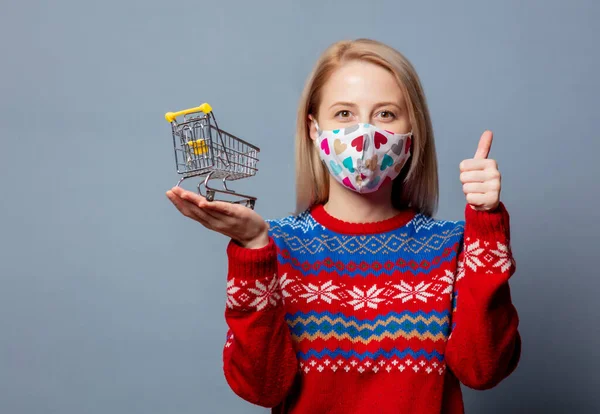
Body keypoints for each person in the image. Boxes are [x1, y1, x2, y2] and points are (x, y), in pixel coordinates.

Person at [165, 38, 521, 414]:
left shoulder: (452, 246)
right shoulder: (278, 246)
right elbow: (262, 387)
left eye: (385, 114)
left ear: (411, 133)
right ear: (314, 130)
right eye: (344, 114)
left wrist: (486, 224)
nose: (364, 135)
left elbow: (483, 369)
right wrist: (253, 250)